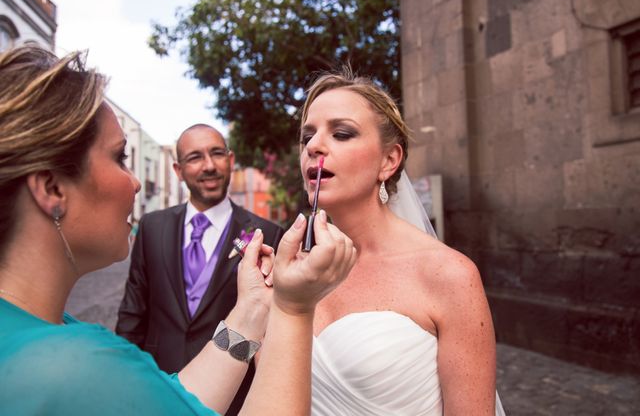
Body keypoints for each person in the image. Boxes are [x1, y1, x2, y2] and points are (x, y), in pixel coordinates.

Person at [0, 45, 357, 416]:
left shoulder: (35, 328)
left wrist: (252, 308)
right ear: (53, 189)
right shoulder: (78, 366)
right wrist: (294, 308)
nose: (135, 182)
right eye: (120, 157)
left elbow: (178, 399)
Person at [299, 70, 506, 415]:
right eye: (307, 136)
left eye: (341, 133)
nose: (313, 146)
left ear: (389, 161)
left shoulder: (449, 274)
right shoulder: (292, 273)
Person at [116, 123, 284, 414]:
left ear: (230, 161)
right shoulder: (153, 227)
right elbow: (133, 312)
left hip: (234, 395)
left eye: (217, 153)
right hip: (157, 387)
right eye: (195, 157)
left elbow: (273, 332)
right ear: (178, 170)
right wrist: (122, 380)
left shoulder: (266, 234)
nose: (208, 165)